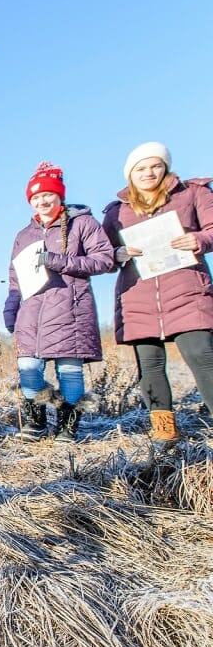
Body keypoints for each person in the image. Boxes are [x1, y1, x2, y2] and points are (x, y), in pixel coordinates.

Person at [102, 142, 213, 451]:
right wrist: (118, 253)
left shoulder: (192, 194)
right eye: (140, 168)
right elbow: (102, 255)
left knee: (202, 356)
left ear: (165, 167)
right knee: (149, 365)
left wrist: (199, 238)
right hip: (138, 295)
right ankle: (165, 431)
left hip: (187, 288)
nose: (148, 172)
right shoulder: (116, 212)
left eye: (155, 166)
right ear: (130, 175)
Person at [3, 162, 113, 443]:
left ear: (59, 195)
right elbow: (15, 276)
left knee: (69, 371)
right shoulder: (23, 235)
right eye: (35, 197)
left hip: (70, 308)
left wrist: (59, 262)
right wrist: (11, 305)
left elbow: (105, 259)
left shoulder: (83, 223)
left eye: (47, 194)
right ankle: (35, 421)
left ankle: (67, 426)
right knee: (28, 368)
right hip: (32, 311)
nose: (42, 201)